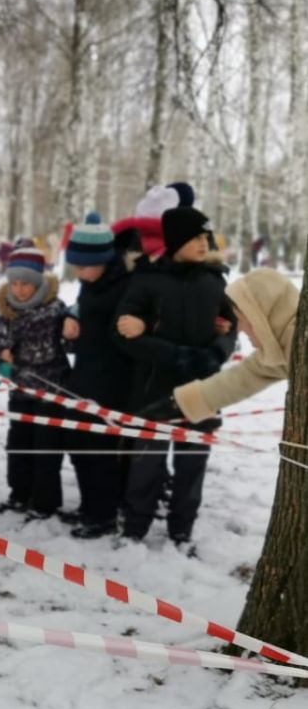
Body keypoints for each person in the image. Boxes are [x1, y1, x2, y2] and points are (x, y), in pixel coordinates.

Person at [114, 206, 237, 550]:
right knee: (146, 467)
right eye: (196, 237)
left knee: (191, 468)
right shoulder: (147, 279)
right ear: (177, 240)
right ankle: (135, 529)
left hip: (202, 391)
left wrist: (216, 352)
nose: (204, 242)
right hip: (154, 390)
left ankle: (182, 532)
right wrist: (177, 355)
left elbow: (232, 326)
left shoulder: (215, 280)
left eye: (205, 236)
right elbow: (121, 332)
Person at [0, 246, 70, 519]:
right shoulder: (7, 312)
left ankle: (45, 502)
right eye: (14, 283)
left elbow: (48, 352)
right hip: (21, 393)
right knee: (18, 444)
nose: (19, 290)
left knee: (46, 449)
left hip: (52, 393)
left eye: (26, 284)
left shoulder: (55, 310)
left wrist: (14, 354)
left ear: (38, 283)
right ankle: (19, 494)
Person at [138, 268, 298, 423]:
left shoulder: (300, 345)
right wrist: (177, 404)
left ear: (262, 318)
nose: (240, 328)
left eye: (242, 319)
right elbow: (243, 377)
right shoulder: (284, 347)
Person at [61, 214, 134, 538]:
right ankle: (89, 506)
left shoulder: (126, 286)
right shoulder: (90, 283)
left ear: (102, 259)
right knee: (78, 445)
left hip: (113, 382)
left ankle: (103, 514)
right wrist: (70, 320)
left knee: (100, 451)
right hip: (85, 375)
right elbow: (80, 308)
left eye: (82, 266)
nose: (78, 273)